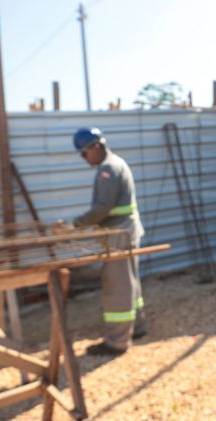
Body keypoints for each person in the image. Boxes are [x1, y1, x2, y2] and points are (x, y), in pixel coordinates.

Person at [71, 127, 146, 356]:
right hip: (127, 231)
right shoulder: (116, 163)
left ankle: (117, 341)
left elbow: (102, 208)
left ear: (95, 146)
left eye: (84, 153)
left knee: (117, 287)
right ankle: (138, 327)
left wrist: (77, 223)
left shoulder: (108, 169)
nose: (84, 158)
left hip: (119, 236)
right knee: (130, 281)